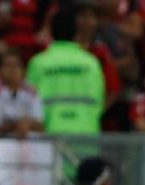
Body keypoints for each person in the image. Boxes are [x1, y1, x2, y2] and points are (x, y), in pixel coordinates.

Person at [26, 7, 105, 135]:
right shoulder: (91, 63)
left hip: (47, 138)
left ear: (51, 31)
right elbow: (99, 102)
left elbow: (27, 101)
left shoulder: (38, 63)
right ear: (76, 32)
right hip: (86, 134)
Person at [0, 50, 44, 137]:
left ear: (23, 70)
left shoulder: (31, 91)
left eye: (15, 66)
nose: (12, 70)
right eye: (7, 66)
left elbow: (41, 125)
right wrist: (14, 126)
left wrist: (29, 124)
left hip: (26, 145)